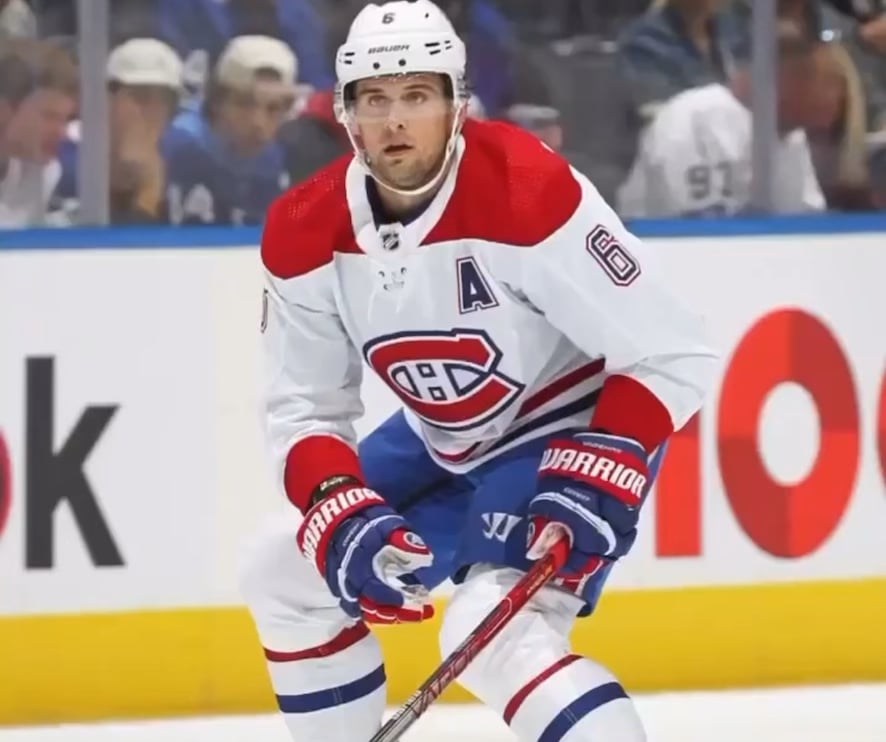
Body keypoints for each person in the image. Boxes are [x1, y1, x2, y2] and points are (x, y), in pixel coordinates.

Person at [239, 2, 718, 741]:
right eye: (375, 99)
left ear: (457, 104)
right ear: (346, 113)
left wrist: (611, 457)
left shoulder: (525, 188)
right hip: (443, 437)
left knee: (494, 631)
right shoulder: (303, 229)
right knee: (282, 572)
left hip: (567, 425)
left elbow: (672, 348)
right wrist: (337, 501)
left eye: (416, 96)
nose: (395, 121)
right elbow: (303, 407)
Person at [617, 26, 827, 218]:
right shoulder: (689, 118)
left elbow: (806, 220)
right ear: (782, 78)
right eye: (808, 80)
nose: (819, 96)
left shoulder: (791, 134)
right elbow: (691, 228)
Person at [162, 34, 295, 226]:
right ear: (217, 102)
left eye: (273, 109)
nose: (258, 122)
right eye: (244, 104)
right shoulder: (178, 146)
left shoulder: (276, 159)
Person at [54, 38, 183, 224]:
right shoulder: (65, 161)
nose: (153, 112)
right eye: (141, 98)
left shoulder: (181, 161)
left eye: (165, 101)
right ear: (106, 100)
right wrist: (149, 192)